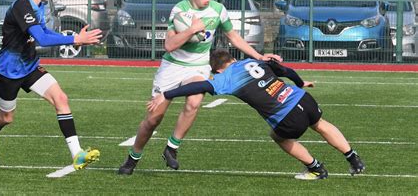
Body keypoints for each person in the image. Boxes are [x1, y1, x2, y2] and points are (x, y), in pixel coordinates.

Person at [118, 0, 282, 175]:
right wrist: (191, 30)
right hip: (172, 67)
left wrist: (259, 56)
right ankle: (133, 158)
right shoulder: (180, 11)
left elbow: (234, 37)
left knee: (195, 101)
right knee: (153, 119)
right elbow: (169, 45)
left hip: (198, 67)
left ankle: (171, 148)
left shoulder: (218, 10)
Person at [147, 49, 365, 180]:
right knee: (320, 124)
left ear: (218, 70)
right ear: (232, 58)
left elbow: (195, 88)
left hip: (287, 115)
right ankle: (353, 159)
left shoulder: (226, 77)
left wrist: (166, 94)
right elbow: (285, 70)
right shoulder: (253, 61)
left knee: (278, 137)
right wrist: (300, 83)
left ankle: (316, 168)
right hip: (301, 98)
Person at [0, 0, 102, 170]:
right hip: (8, 71)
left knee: (61, 98)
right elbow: (43, 39)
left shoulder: (40, 5)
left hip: (30, 66)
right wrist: (75, 38)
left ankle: (77, 154)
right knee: (6, 117)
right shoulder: (22, 6)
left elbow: (45, 31)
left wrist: (72, 40)